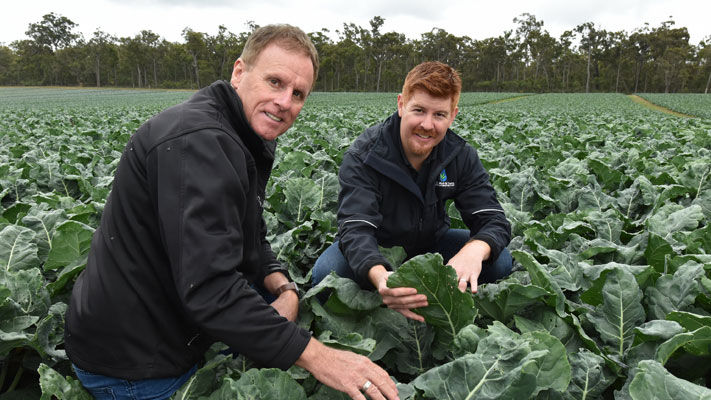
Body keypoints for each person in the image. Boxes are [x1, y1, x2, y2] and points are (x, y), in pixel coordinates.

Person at [65, 24, 399, 400]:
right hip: (136, 365)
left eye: (298, 93)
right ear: (239, 72)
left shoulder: (236, 132)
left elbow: (250, 233)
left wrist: (282, 284)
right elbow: (210, 288)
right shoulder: (202, 143)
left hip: (160, 317)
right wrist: (321, 358)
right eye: (275, 82)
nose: (285, 102)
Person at [312, 61, 512, 322]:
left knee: (500, 261)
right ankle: (389, 299)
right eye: (419, 110)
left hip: (432, 245)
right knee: (327, 275)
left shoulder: (460, 156)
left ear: (453, 115)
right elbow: (355, 225)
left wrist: (473, 251)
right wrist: (378, 275)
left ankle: (432, 297)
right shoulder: (365, 155)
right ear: (400, 104)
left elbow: (492, 218)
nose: (427, 125)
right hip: (377, 246)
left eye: (439, 115)